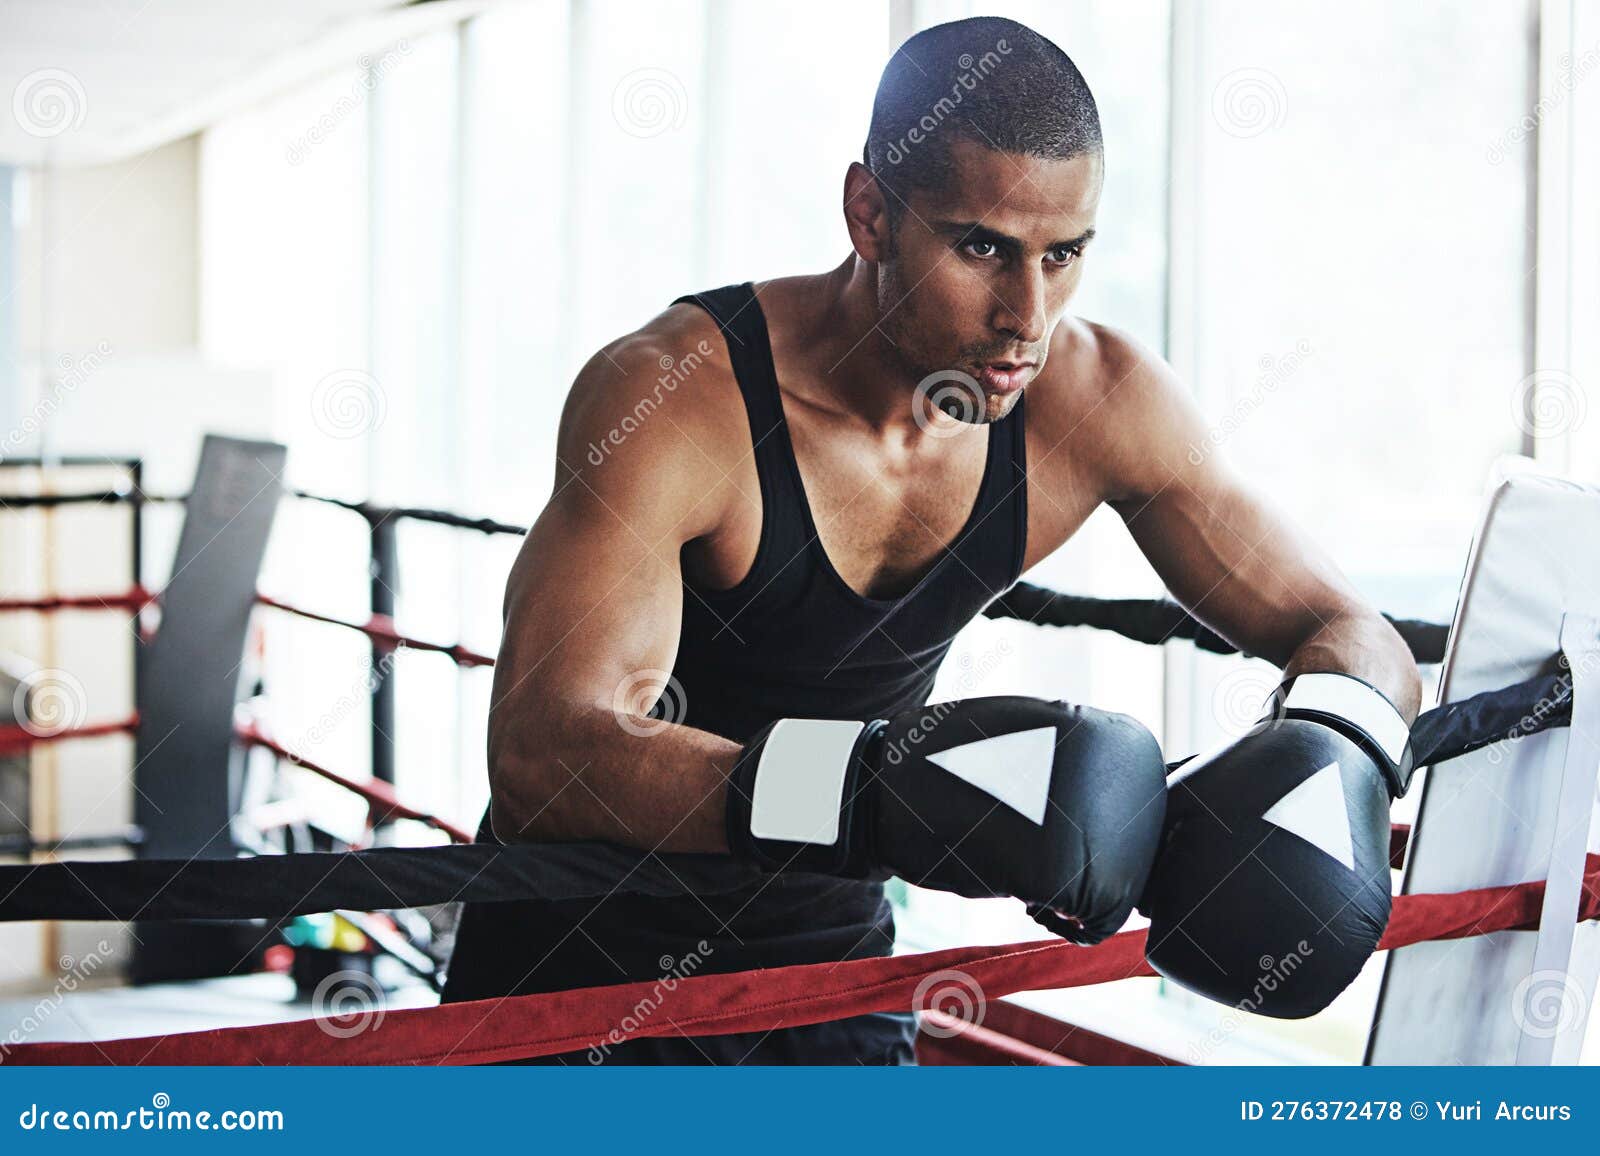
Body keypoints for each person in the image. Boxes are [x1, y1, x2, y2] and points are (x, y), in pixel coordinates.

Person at [440, 15, 1422, 1062]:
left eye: (1065, 254)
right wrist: (872, 790)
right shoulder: (679, 398)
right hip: (575, 967)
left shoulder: (1097, 400)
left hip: (829, 963)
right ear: (869, 213)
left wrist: (1337, 749)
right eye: (981, 247)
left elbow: (1347, 628)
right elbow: (544, 749)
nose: (1026, 315)